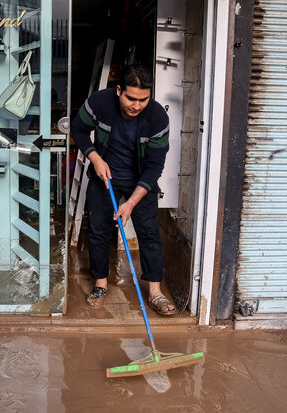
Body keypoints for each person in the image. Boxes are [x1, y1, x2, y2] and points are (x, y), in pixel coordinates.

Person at [70, 64, 175, 315]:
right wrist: (95, 158)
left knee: (149, 233)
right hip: (105, 175)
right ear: (119, 90)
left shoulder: (158, 117)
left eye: (143, 99)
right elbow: (79, 129)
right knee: (99, 230)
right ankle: (100, 283)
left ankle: (155, 292)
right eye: (130, 98)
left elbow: (154, 166)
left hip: (141, 180)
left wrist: (131, 202)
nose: (136, 105)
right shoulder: (99, 103)